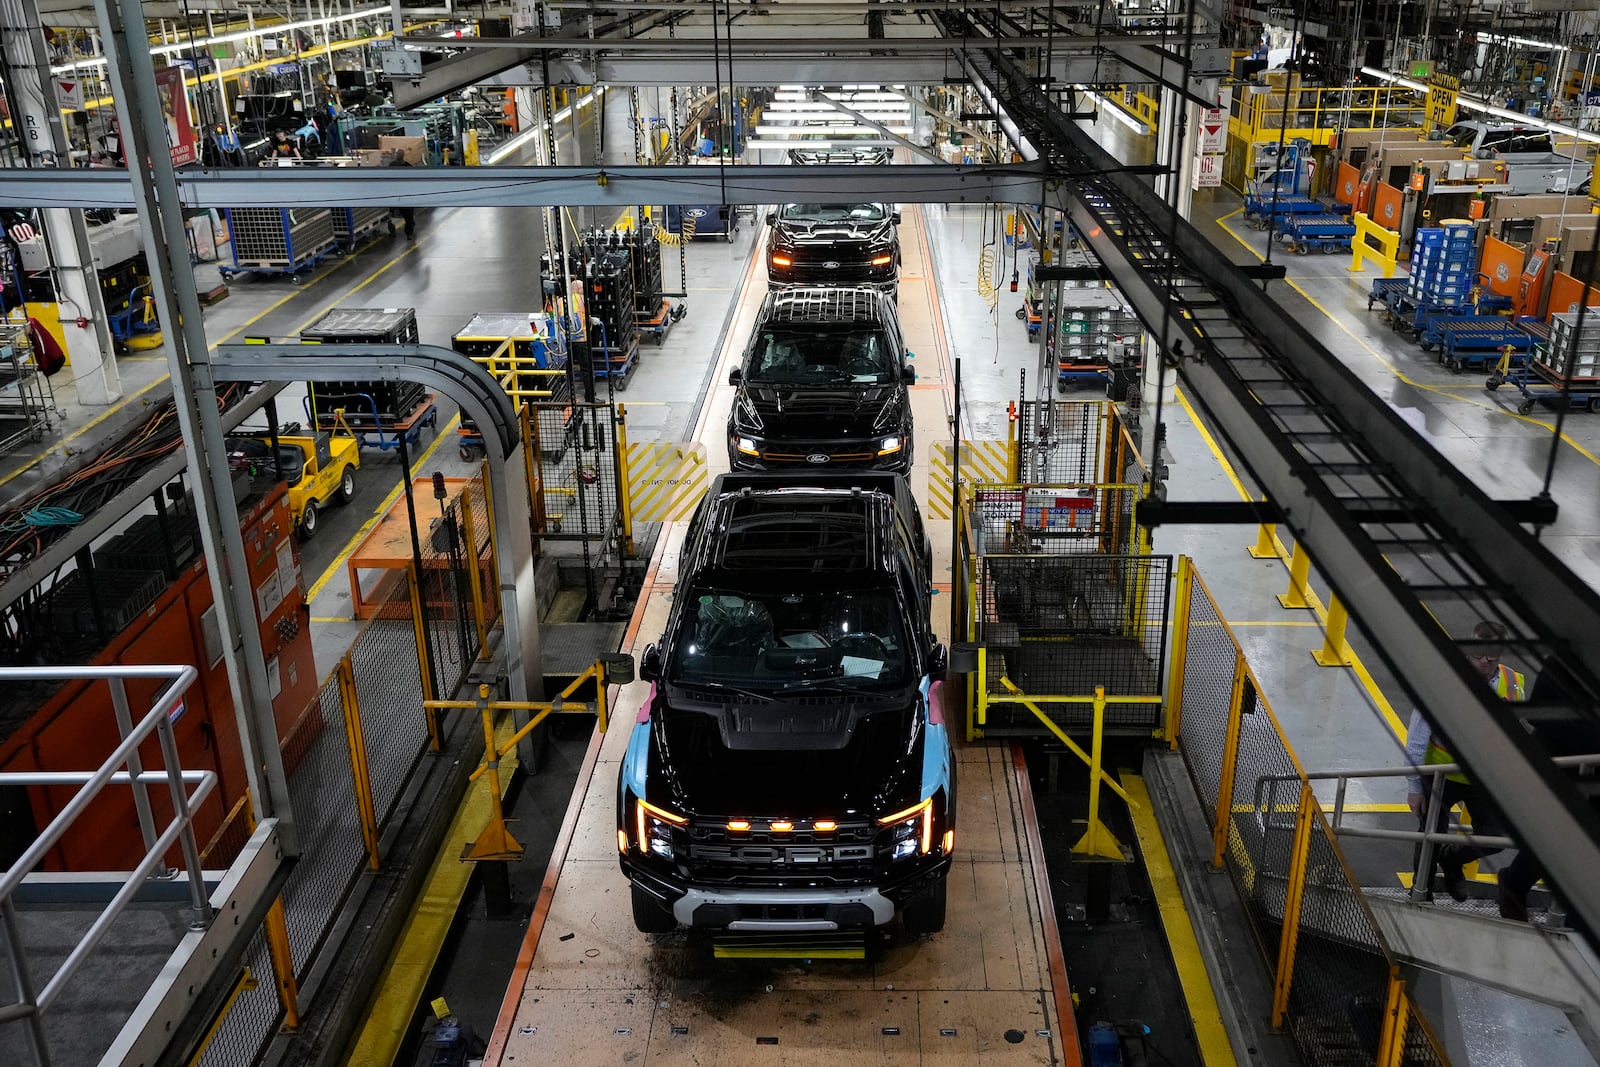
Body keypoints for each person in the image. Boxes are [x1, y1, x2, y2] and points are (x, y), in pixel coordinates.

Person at [1404, 619, 1525, 901]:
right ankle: (1421, 891)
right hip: (1439, 774)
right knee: (1431, 834)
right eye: (1477, 654)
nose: (1484, 661)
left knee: (1494, 836)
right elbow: (1418, 736)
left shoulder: (1513, 683)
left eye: (1491, 656)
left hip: (1482, 777)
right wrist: (1414, 785)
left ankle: (1454, 859)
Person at [386, 150, 416, 239]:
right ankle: (391, 229)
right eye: (397, 154)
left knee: (408, 215)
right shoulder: (392, 165)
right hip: (395, 194)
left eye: (399, 154)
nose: (397, 155)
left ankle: (409, 233)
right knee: (389, 214)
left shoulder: (408, 167)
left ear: (403, 156)